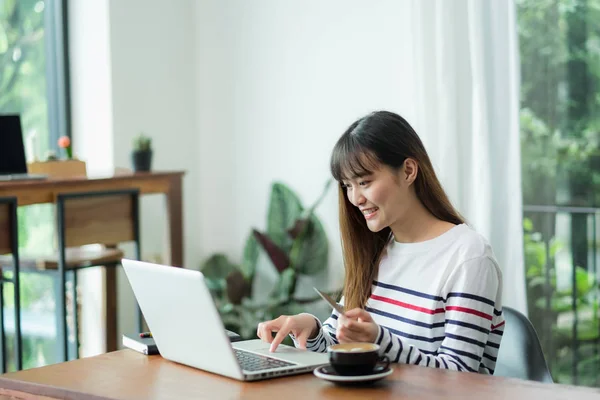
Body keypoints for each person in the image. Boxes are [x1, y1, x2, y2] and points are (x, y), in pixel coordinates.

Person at [257, 111, 504, 374]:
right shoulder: (377, 250)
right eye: (347, 186)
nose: (355, 198)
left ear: (408, 171)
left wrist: (379, 341)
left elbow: (459, 375)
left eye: (364, 182)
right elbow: (340, 346)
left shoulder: (468, 256)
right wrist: (313, 329)